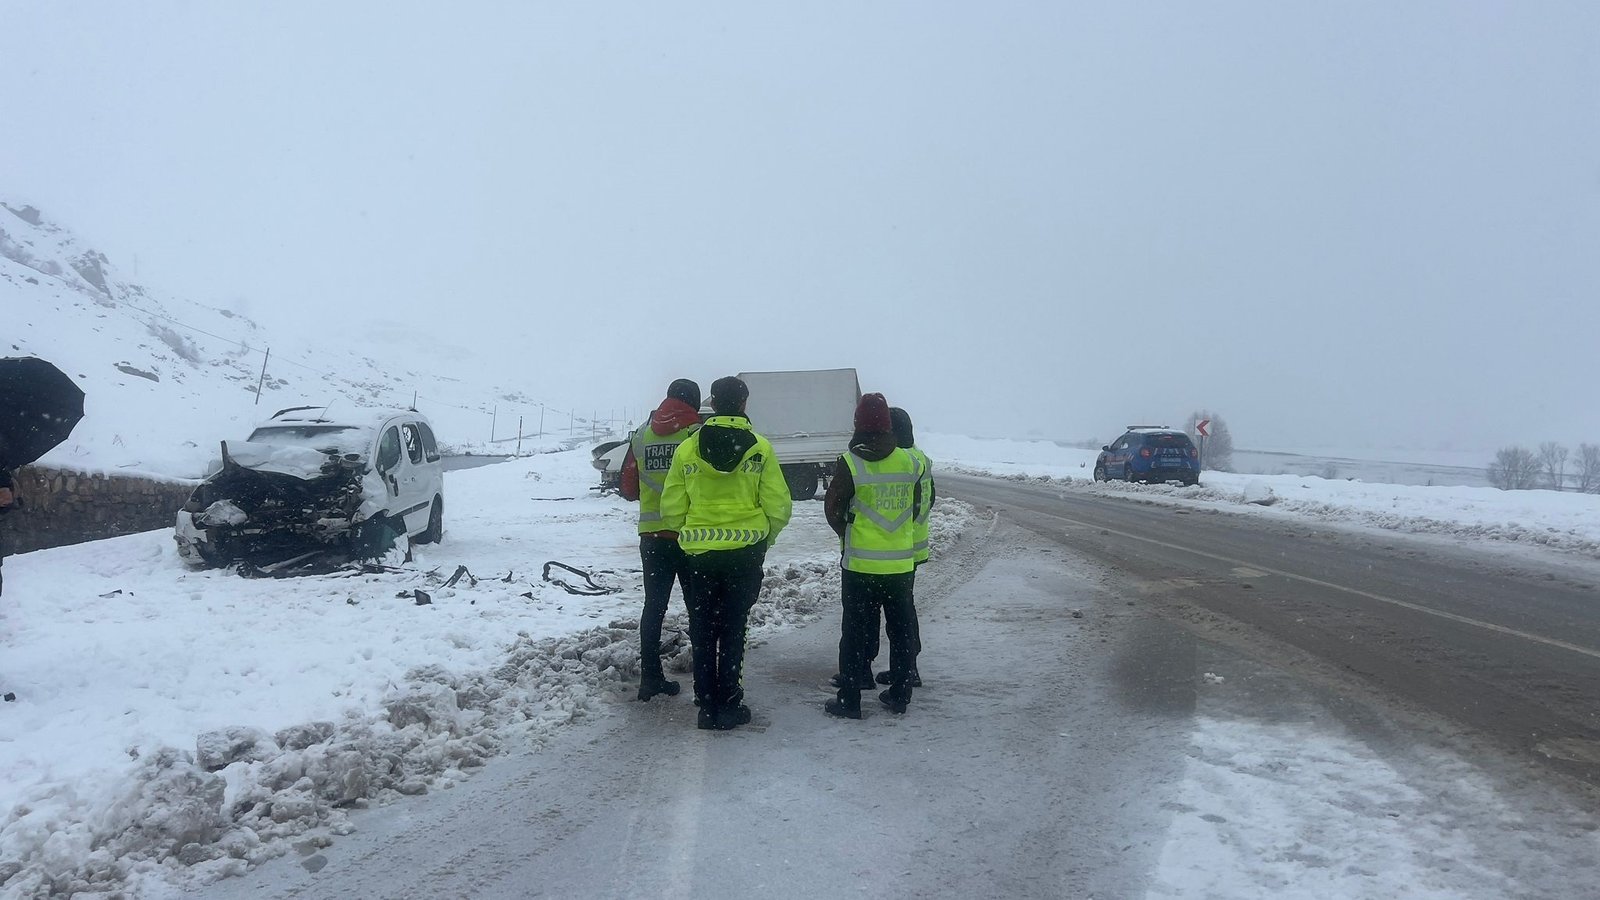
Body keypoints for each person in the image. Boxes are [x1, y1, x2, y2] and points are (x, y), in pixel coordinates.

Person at [660, 376, 792, 730]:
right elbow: (779, 506)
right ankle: (730, 703)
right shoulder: (760, 448)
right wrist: (764, 539)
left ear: (713, 403)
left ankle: (706, 705)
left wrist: (690, 531)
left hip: (700, 555)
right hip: (745, 554)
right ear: (744, 403)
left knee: (702, 629)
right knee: (734, 628)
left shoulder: (688, 449)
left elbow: (671, 507)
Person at [823, 393, 922, 719]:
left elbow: (833, 509)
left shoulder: (850, 463)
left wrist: (848, 532)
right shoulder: (910, 462)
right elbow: (917, 506)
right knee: (901, 631)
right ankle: (900, 694)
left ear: (858, 424)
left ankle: (850, 700)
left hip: (860, 565)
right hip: (899, 565)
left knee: (855, 633)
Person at [619, 378, 703, 701]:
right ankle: (705, 682)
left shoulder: (642, 435)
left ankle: (651, 679)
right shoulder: (695, 434)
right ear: (693, 402)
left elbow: (628, 487)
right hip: (689, 536)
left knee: (654, 607)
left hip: (652, 536)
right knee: (698, 607)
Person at [875, 406, 931, 688]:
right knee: (904, 611)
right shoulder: (921, 459)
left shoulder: (901, 461)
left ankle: (905, 671)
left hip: (897, 548)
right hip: (913, 546)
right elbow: (928, 500)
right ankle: (908, 668)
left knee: (896, 615)